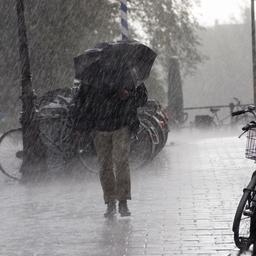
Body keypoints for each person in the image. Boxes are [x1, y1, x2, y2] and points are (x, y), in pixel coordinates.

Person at [92, 65, 147, 217]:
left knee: (121, 162)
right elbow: (85, 101)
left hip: (121, 124)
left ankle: (122, 201)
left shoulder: (129, 72)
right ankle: (110, 202)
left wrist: (128, 95)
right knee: (104, 165)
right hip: (100, 127)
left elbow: (142, 98)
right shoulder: (94, 75)